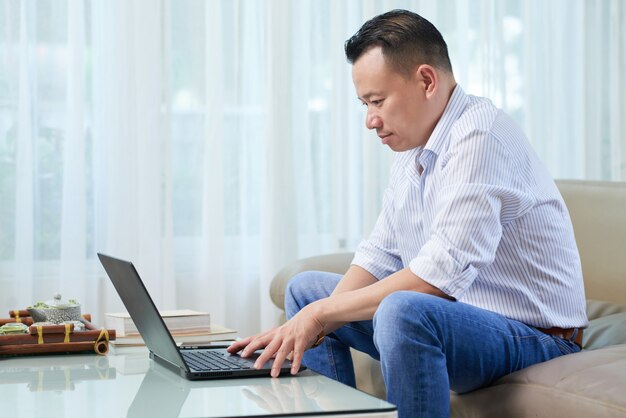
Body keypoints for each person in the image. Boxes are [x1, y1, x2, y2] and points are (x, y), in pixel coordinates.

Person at [228, 9, 587, 418]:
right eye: (364, 104)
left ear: (427, 80)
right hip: (461, 323)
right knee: (306, 289)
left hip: (536, 338)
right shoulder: (415, 149)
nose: (370, 120)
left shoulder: (481, 135)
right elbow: (380, 254)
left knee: (401, 308)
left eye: (377, 101)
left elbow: (437, 279)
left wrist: (320, 316)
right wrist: (311, 314)